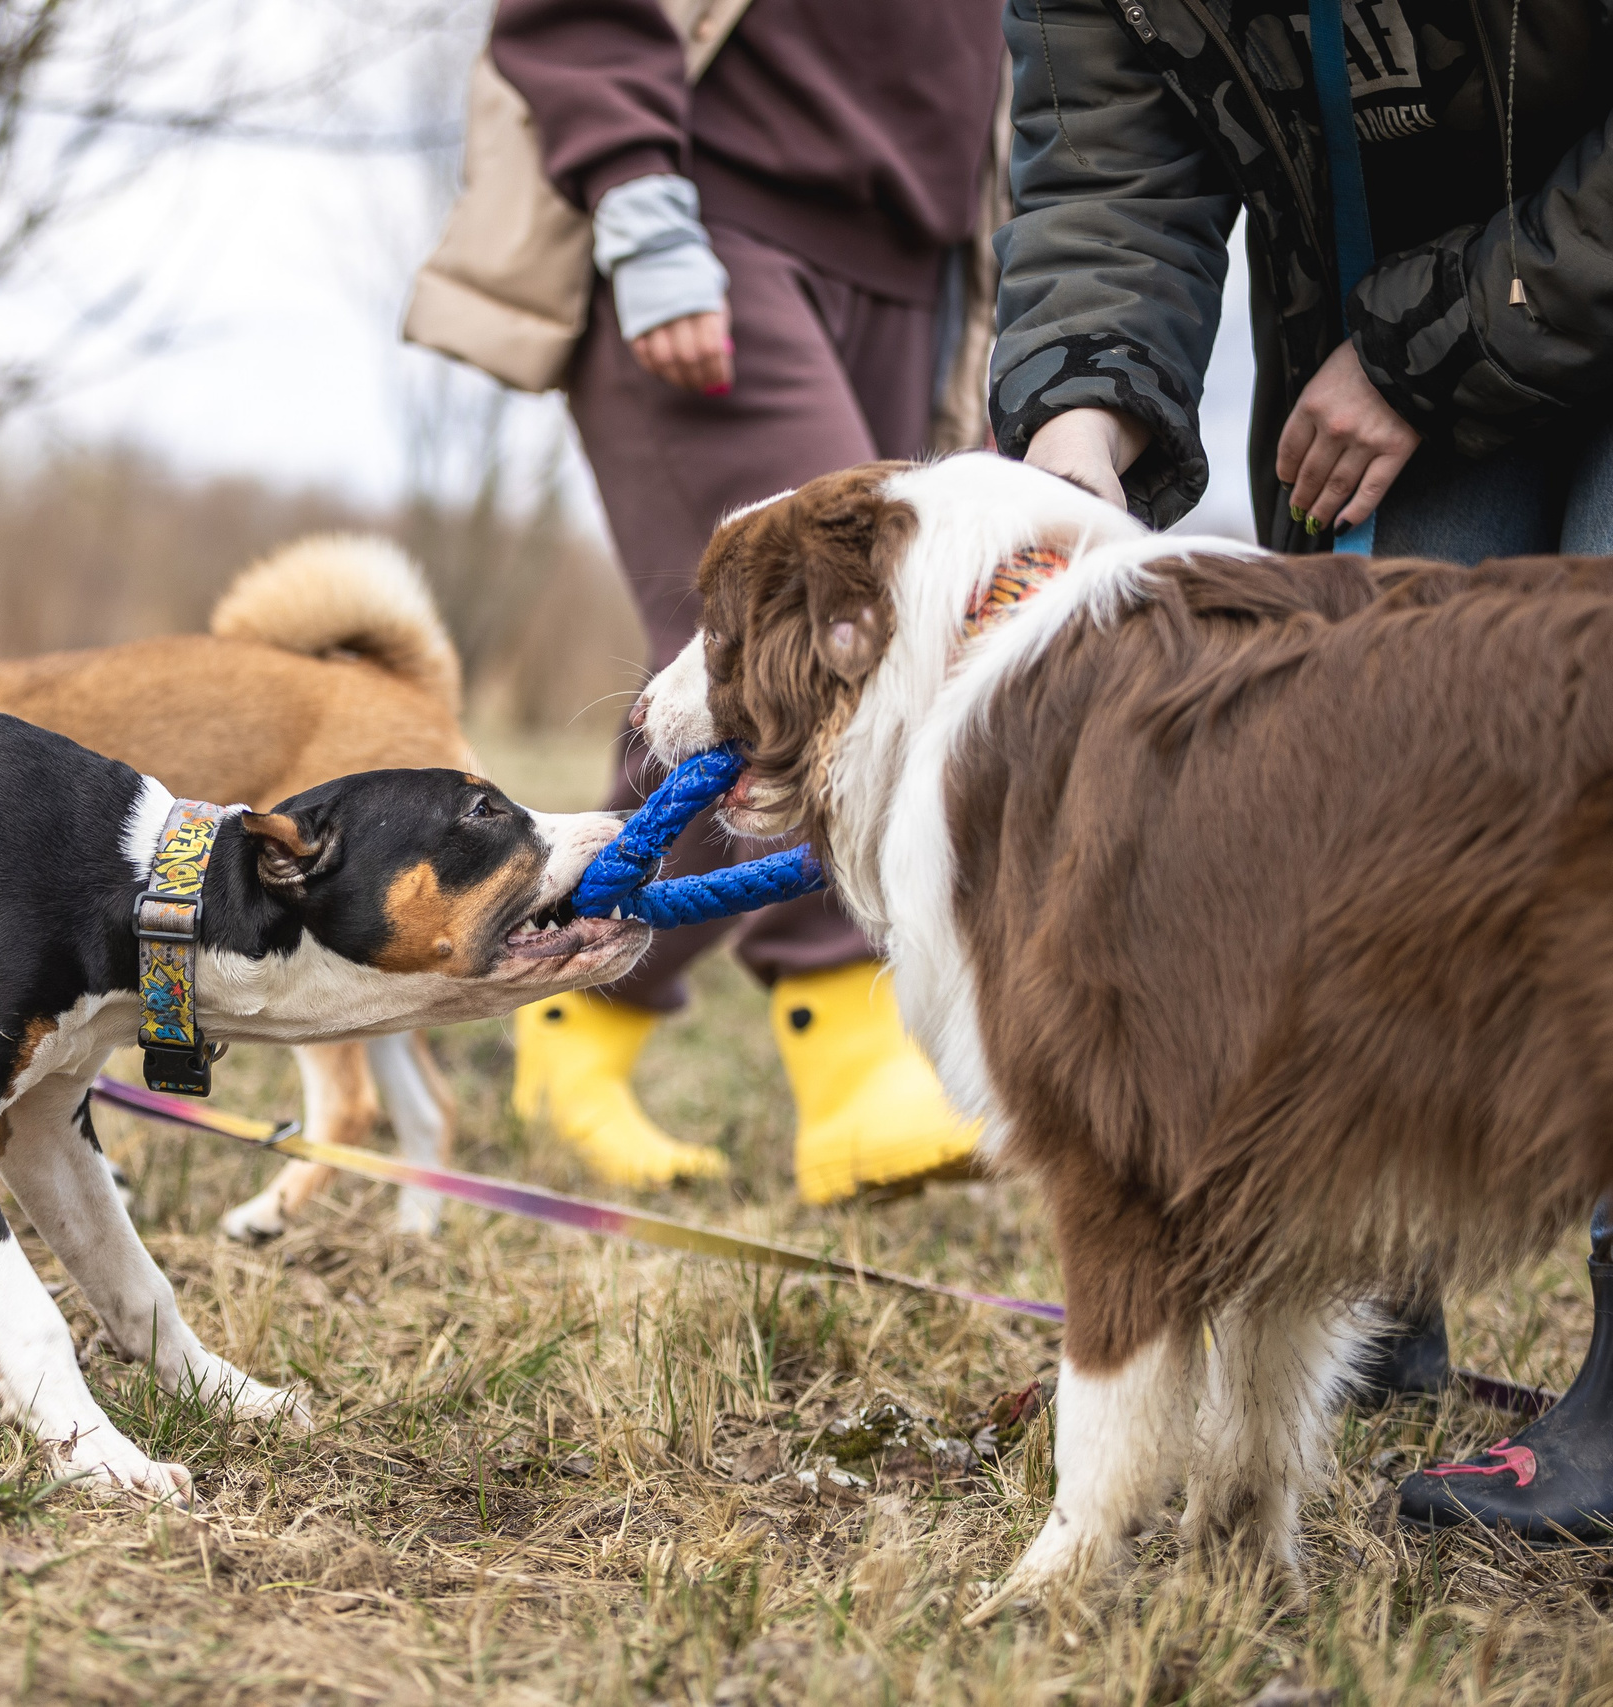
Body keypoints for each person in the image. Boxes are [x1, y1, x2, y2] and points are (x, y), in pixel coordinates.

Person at [988, 0, 1613, 1535]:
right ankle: (1361, 1292)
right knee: (1370, 802)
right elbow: (1105, 169)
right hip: (1390, 339)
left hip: (1469, 306)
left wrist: (1421, 349)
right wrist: (1080, 426)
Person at [443, 0, 1003, 1200]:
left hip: (923, 256)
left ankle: (580, 1021)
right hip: (716, 204)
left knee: (853, 662)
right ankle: (848, 1039)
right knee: (797, 656)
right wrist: (641, 212)